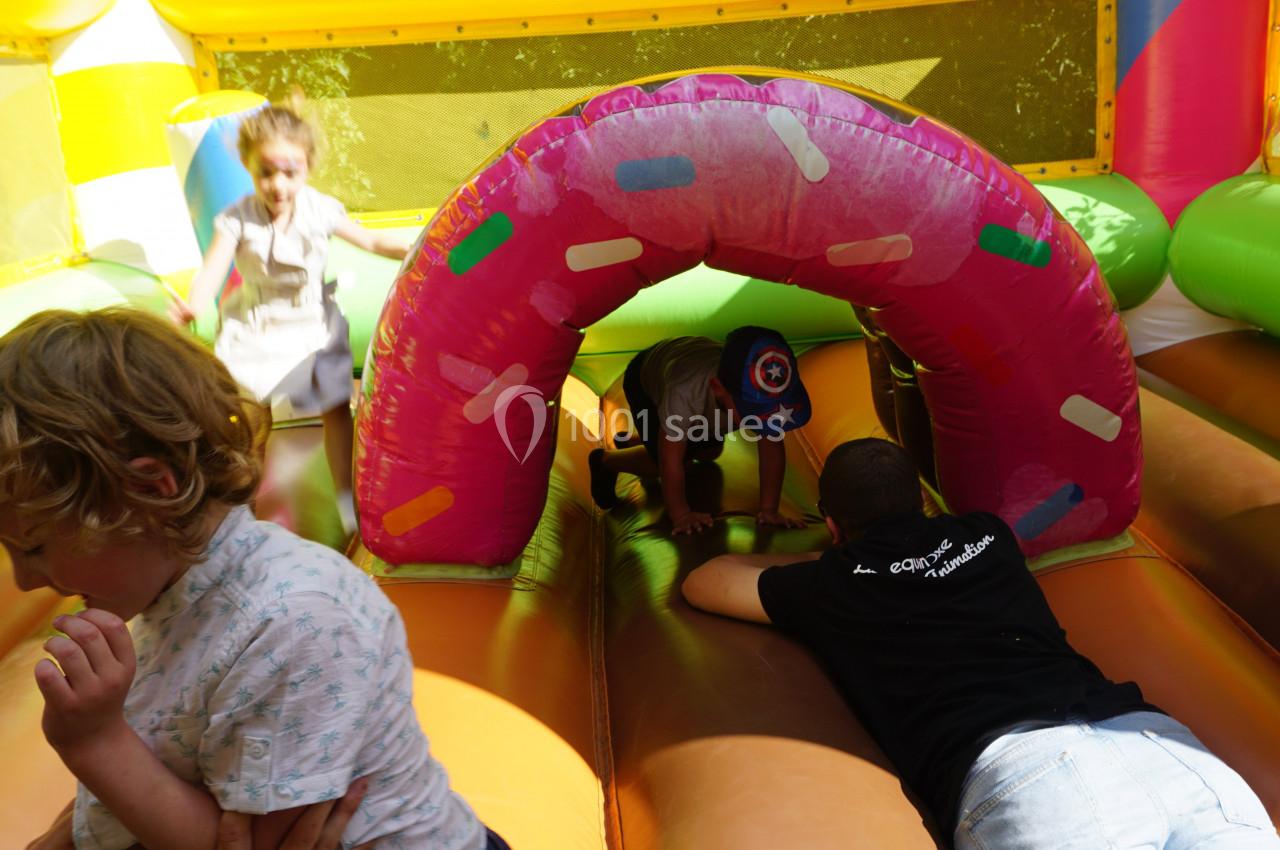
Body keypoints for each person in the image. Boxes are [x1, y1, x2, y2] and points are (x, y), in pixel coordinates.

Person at [1, 309, 508, 850]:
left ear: (148, 493)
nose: (26, 580)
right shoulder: (170, 592)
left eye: (34, 546)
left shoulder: (290, 621)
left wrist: (96, 744)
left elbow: (238, 843)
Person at [682, 437, 1279, 849]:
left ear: (832, 522)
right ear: (920, 498)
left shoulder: (834, 585)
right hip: (1157, 744)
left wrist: (828, 559)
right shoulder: (988, 537)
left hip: (1027, 773)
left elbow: (705, 581)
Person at [170, 95, 411, 536]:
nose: (278, 185)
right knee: (250, 419)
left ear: (307, 167)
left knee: (337, 407)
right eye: (266, 173)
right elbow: (212, 271)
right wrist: (193, 306)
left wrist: (418, 247)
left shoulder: (319, 209)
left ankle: (346, 499)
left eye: (289, 173)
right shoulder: (236, 220)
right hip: (257, 327)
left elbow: (372, 242)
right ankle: (245, 506)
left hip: (309, 323)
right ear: (247, 166)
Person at [588, 326, 811, 535]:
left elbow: (772, 446)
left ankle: (633, 441)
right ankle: (606, 461)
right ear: (718, 389)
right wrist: (681, 515)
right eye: (753, 412)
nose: (764, 420)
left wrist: (769, 510)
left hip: (691, 363)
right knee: (672, 461)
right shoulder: (684, 394)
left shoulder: (759, 389)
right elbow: (670, 463)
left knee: (710, 453)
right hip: (645, 378)